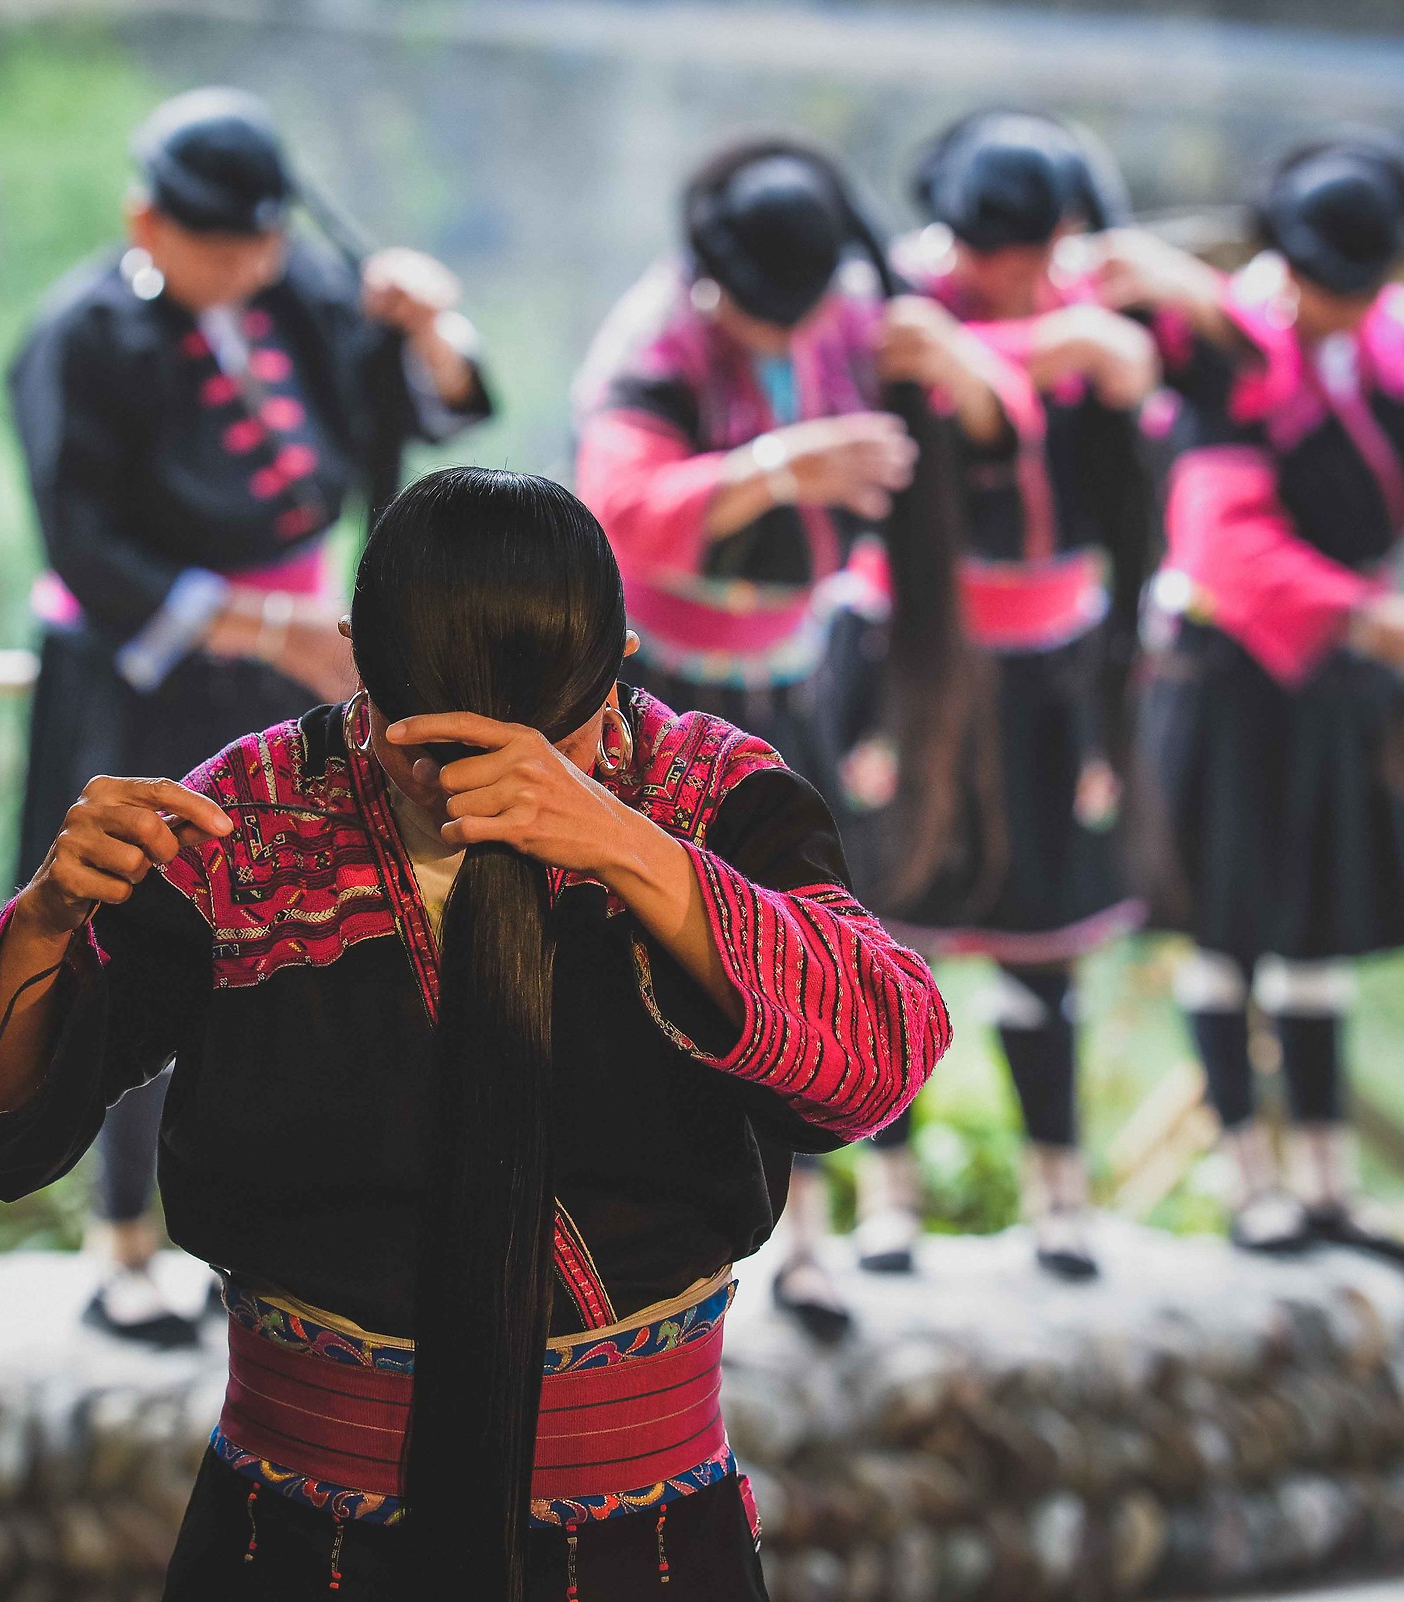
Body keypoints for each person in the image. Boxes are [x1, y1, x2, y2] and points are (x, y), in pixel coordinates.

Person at [0, 467, 950, 1599]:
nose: (483, 788)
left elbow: (882, 1060)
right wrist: (47, 918)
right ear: (358, 659)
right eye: (425, 748)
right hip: (304, 1536)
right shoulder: (246, 822)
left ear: (624, 659)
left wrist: (624, 844)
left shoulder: (712, 798)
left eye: (553, 744)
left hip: (641, 1538)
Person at [9, 88, 492, 1343]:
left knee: (296, 928)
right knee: (131, 926)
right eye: (224, 247)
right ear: (146, 223)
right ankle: (120, 1240)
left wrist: (425, 328)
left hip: (292, 660)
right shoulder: (78, 337)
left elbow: (422, 405)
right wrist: (257, 626)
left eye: (266, 246)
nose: (251, 269)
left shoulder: (297, 294)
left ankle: (267, 1240)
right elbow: (85, 539)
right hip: (145, 668)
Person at [1100, 134, 1404, 1260]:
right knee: (1225, 933)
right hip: (1230, 667)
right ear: (1284, 259)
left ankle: (1324, 1181)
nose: (1342, 310)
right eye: (1325, 285)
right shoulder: (1224, 340)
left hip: (1338, 674)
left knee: (1321, 937)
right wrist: (1363, 615)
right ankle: (1247, 1179)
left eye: (1364, 289)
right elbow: (1219, 534)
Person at [572, 135, 987, 1336]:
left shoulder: (855, 311)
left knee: (798, 953)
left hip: (799, 675)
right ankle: (650, 1244)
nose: (779, 333)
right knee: (659, 957)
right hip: (669, 693)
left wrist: (956, 361)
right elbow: (611, 509)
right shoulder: (656, 345)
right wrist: (770, 470)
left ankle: (807, 1235)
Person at [841, 111, 1160, 1283]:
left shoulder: (1091, 295)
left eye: (1027, 252)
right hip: (916, 657)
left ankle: (1060, 1200)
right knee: (888, 928)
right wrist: (1027, 357)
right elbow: (909, 394)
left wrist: (1090, 353)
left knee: (1043, 945)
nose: (1006, 275)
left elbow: (1147, 400)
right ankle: (887, 1199)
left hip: (1050, 664)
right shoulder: (902, 302)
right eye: (987, 251)